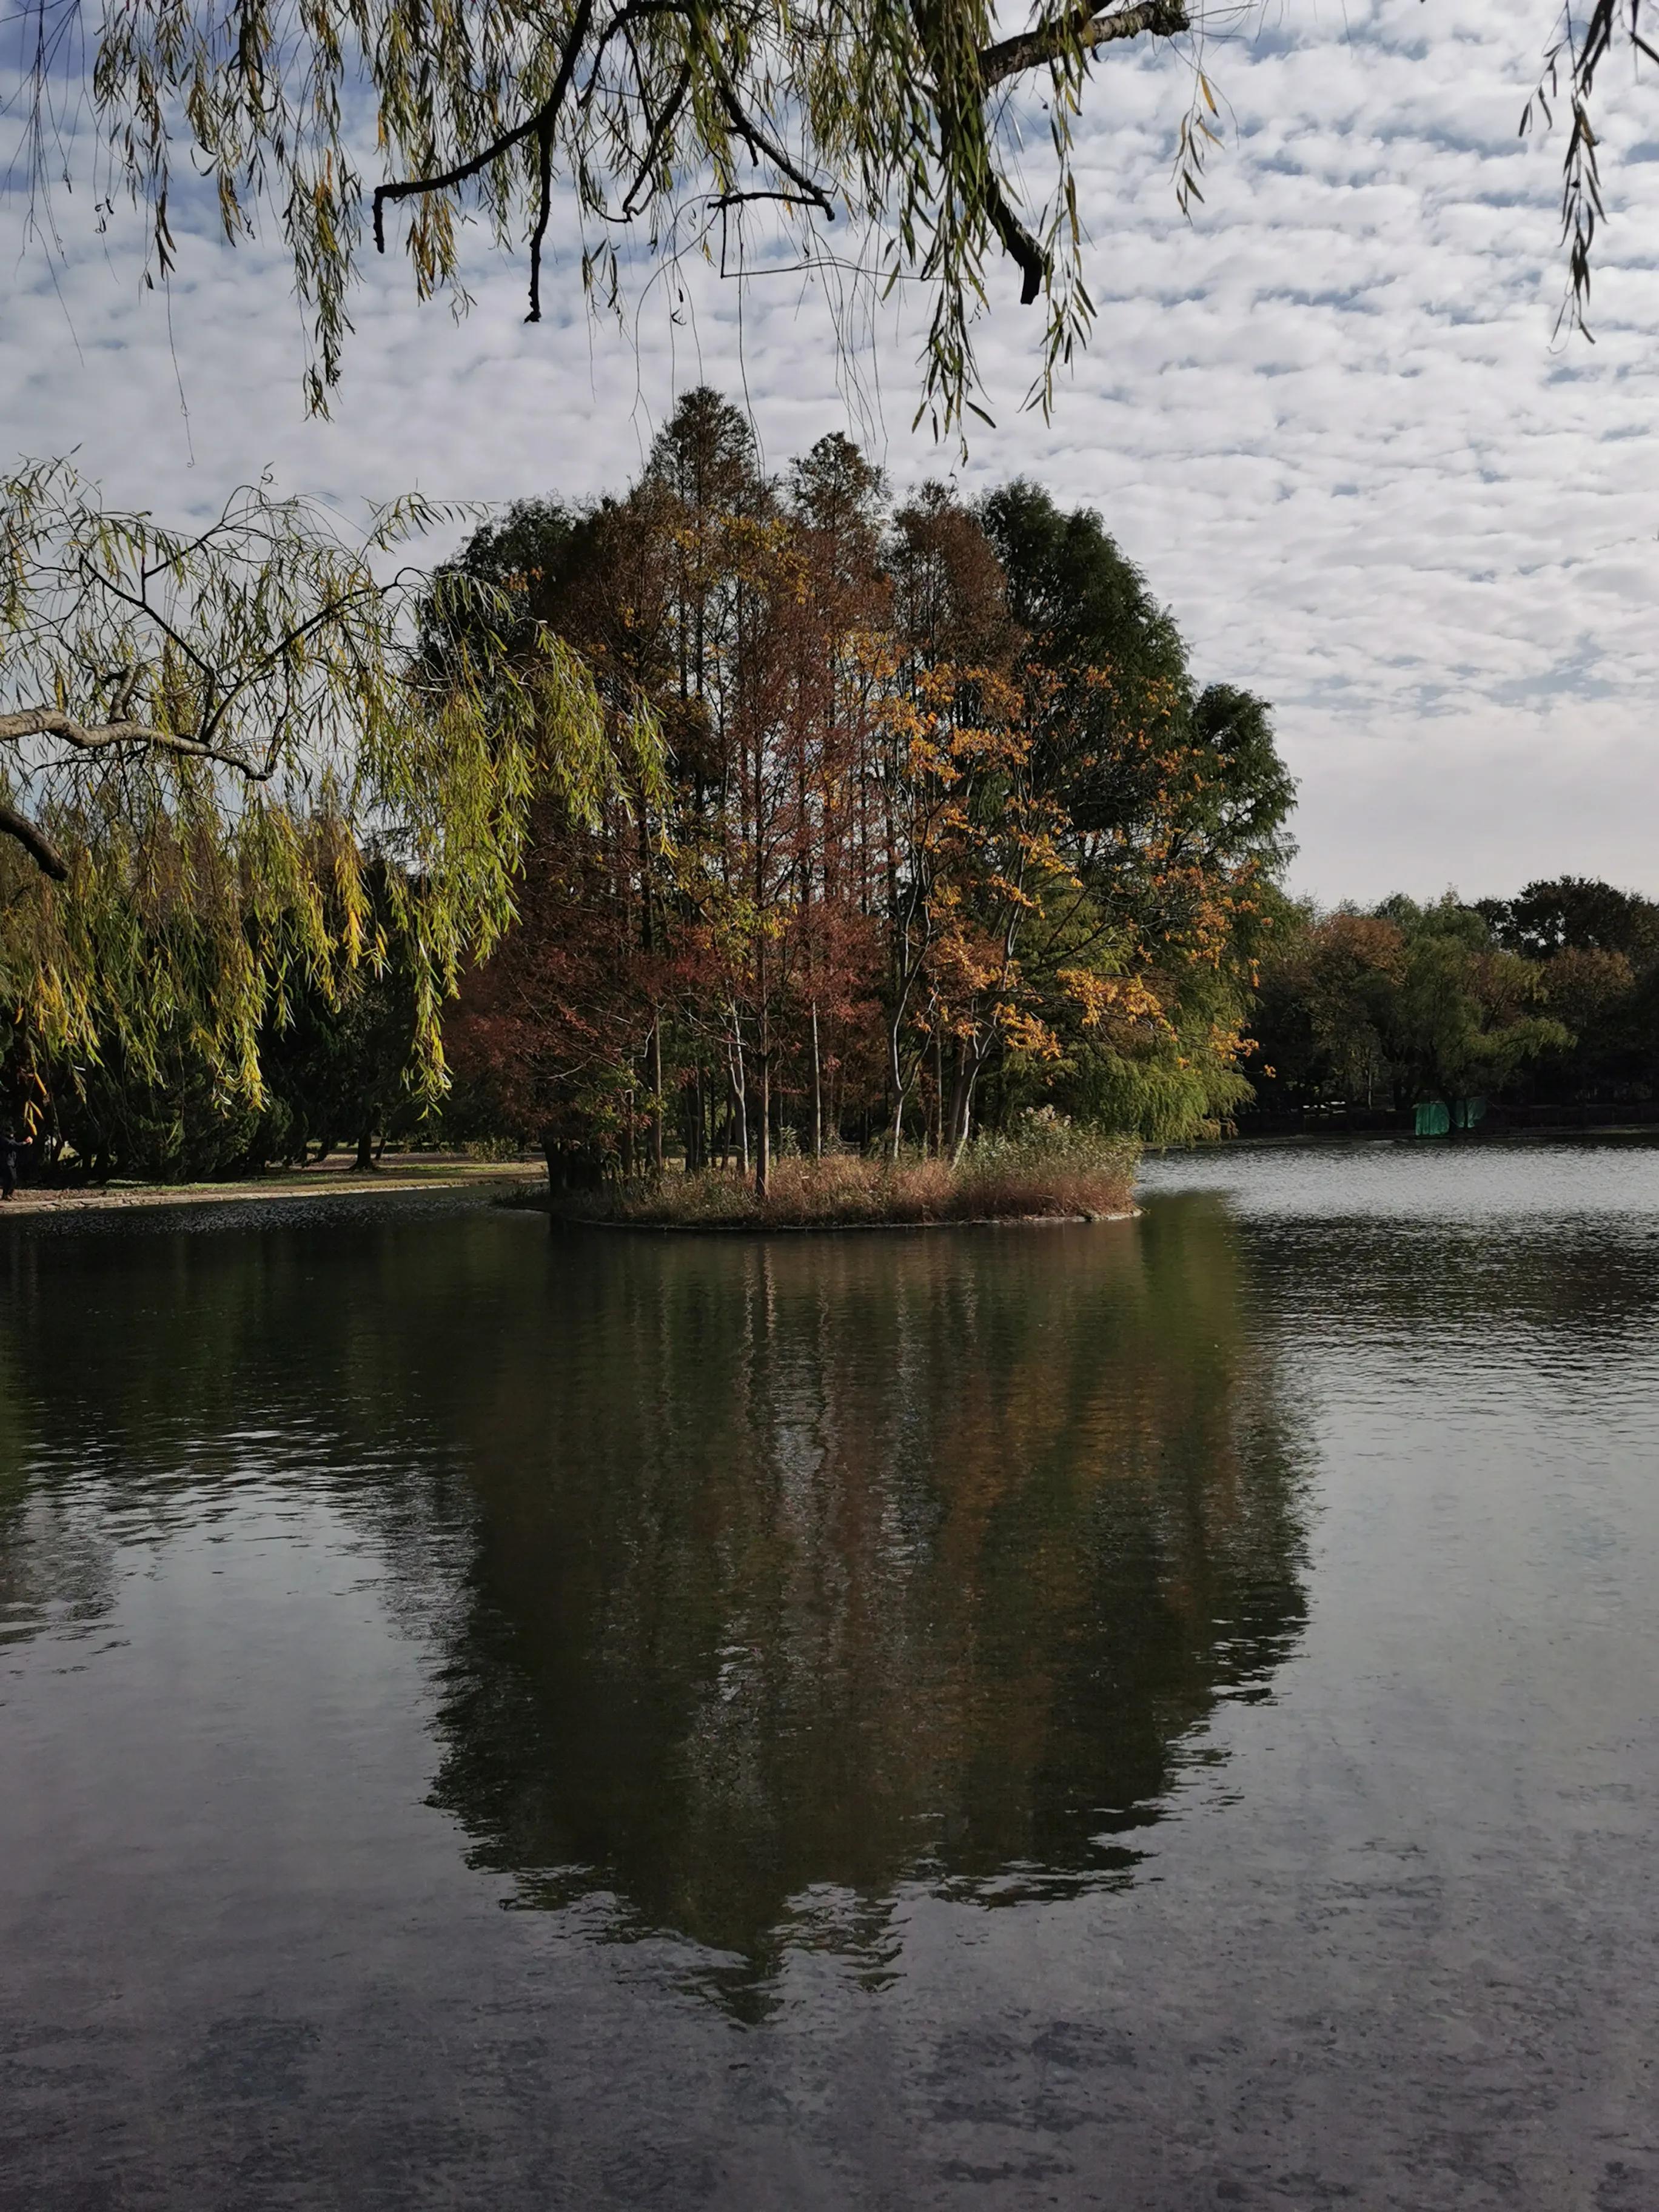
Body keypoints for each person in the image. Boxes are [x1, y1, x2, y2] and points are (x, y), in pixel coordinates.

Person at [1, 1128, 19, 1201]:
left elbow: (16, 1146)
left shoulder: (12, 1139)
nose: (13, 1134)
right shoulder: (4, 1140)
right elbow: (13, 1145)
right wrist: (25, 1143)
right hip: (6, 1162)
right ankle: (7, 1194)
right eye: (11, 1133)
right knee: (11, 1178)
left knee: (13, 1179)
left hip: (12, 1162)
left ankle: (8, 1194)